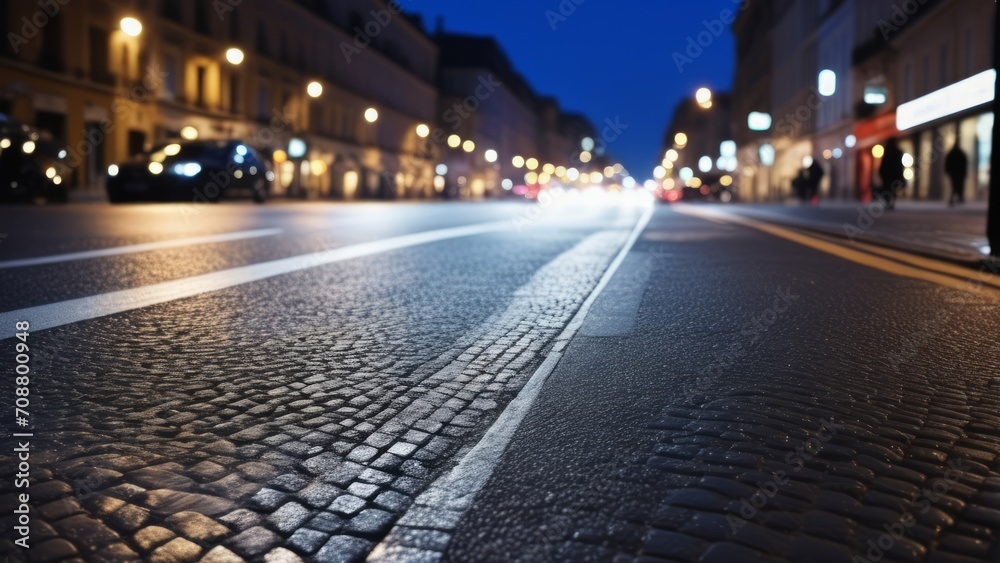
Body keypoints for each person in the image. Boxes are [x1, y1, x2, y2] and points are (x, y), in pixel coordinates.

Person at [878, 138, 906, 210]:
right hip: (894, 174)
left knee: (888, 189)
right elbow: (900, 165)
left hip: (888, 174)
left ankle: (888, 202)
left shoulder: (887, 151)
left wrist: (881, 173)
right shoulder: (898, 152)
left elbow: (883, 164)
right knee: (892, 189)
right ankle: (890, 202)